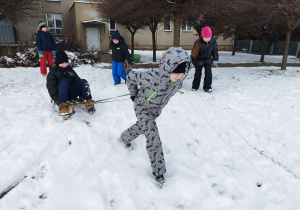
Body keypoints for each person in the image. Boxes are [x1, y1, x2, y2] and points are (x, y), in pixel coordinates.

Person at [119, 47, 191, 188]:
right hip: (142, 107)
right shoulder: (152, 76)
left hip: (154, 111)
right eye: (175, 72)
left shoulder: (177, 83)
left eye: (182, 73)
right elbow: (130, 77)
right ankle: (159, 172)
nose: (178, 76)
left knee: (142, 127)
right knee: (153, 137)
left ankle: (124, 137)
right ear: (167, 68)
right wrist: (133, 94)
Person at [46, 50, 95, 116]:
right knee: (64, 82)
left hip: (71, 93)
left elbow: (78, 81)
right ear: (58, 63)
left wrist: (82, 96)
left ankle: (88, 101)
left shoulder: (69, 70)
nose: (65, 64)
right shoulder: (53, 72)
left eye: (66, 62)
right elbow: (51, 88)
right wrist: (58, 101)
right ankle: (63, 106)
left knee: (83, 81)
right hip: (61, 96)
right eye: (63, 62)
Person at [191, 26, 219, 92]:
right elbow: (194, 53)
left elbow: (215, 50)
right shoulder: (198, 42)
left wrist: (215, 58)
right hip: (199, 60)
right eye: (205, 37)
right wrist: (193, 61)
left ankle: (207, 87)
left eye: (208, 37)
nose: (207, 39)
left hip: (208, 60)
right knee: (197, 74)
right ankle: (195, 87)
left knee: (208, 74)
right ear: (202, 36)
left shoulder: (213, 41)